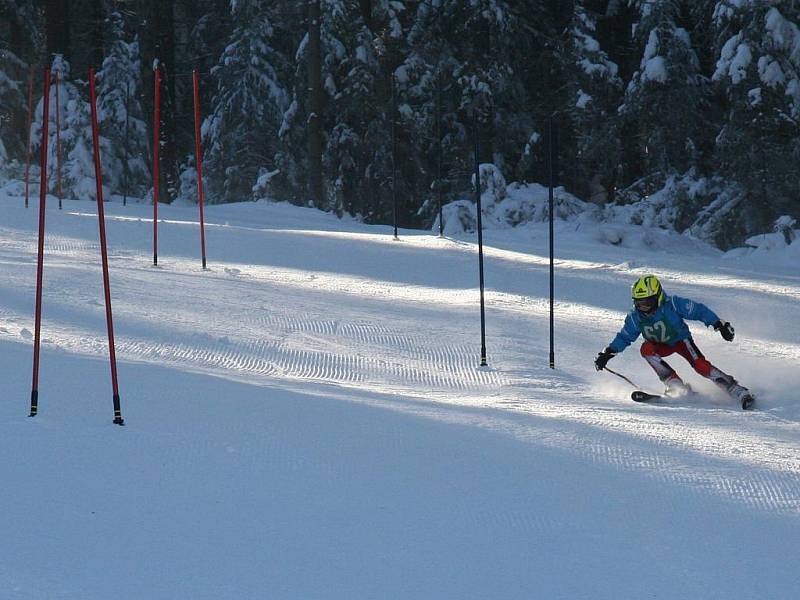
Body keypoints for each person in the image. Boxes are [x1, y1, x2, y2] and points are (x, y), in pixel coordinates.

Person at [594, 274, 753, 407]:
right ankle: (676, 386)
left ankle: (735, 389)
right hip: (659, 345)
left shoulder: (673, 304)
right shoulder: (636, 318)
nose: (643, 308)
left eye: (647, 303)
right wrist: (607, 353)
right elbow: (625, 336)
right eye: (638, 303)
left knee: (700, 365)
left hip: (681, 341)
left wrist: (719, 324)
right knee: (646, 349)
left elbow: (698, 310)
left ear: (658, 297)